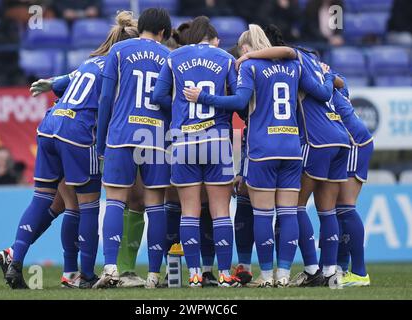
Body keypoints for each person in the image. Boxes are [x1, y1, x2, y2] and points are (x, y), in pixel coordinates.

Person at [184, 24, 337, 287]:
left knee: (263, 215)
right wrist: (328, 75)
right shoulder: (294, 66)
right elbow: (323, 93)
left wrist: (204, 97)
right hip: (291, 147)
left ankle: (266, 276)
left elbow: (240, 103)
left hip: (262, 149)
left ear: (246, 48)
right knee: (288, 213)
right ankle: (285, 275)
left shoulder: (250, 67)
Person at [2, 12, 139, 289]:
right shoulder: (121, 68)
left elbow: (64, 83)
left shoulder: (90, 62)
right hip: (78, 133)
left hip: (49, 125)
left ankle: (16, 259)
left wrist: (51, 82)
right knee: (87, 206)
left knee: (43, 199)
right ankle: (84, 275)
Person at [154, 16, 240, 288]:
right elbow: (239, 100)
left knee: (189, 211)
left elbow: (157, 97)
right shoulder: (225, 59)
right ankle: (224, 274)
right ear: (213, 37)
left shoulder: (174, 57)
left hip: (184, 142)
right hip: (216, 140)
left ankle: (192, 275)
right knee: (220, 211)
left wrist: (180, 110)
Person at [94, 8, 172, 289]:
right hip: (156, 139)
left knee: (115, 201)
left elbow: (105, 99)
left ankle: (112, 269)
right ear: (163, 32)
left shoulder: (119, 51)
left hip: (121, 134)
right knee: (156, 206)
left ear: (142, 27)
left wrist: (101, 142)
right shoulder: (170, 57)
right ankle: (153, 275)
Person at [331, 81, 373, 287]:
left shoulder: (312, 77)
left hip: (353, 141)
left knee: (345, 206)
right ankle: (342, 269)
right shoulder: (324, 75)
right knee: (339, 208)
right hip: (349, 140)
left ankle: (359, 273)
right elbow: (343, 84)